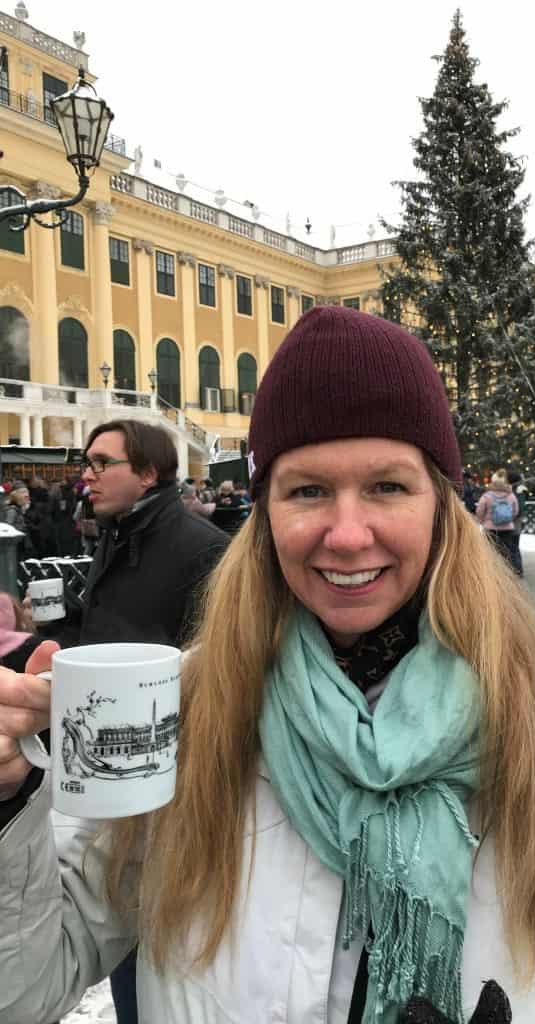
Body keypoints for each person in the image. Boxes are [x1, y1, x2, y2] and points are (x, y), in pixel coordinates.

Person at [0, 307, 535, 1024]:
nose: (346, 534)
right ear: (264, 511)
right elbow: (25, 991)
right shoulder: (183, 710)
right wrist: (7, 801)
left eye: (387, 487)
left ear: (441, 505)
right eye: (307, 490)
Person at [77, 419, 230, 1023]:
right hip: (114, 777)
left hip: (173, 782)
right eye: (84, 461)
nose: (85, 475)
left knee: (159, 946)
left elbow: (219, 668)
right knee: (123, 932)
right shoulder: (118, 533)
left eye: (99, 462)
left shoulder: (199, 546)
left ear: (147, 473)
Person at [475, 470, 523, 576]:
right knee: (506, 551)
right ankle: (506, 573)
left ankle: (493, 573)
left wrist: (482, 521)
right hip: (507, 529)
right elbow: (515, 510)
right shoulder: (510, 495)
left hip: (490, 528)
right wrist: (508, 519)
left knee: (491, 551)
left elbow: (479, 511)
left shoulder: (487, 496)